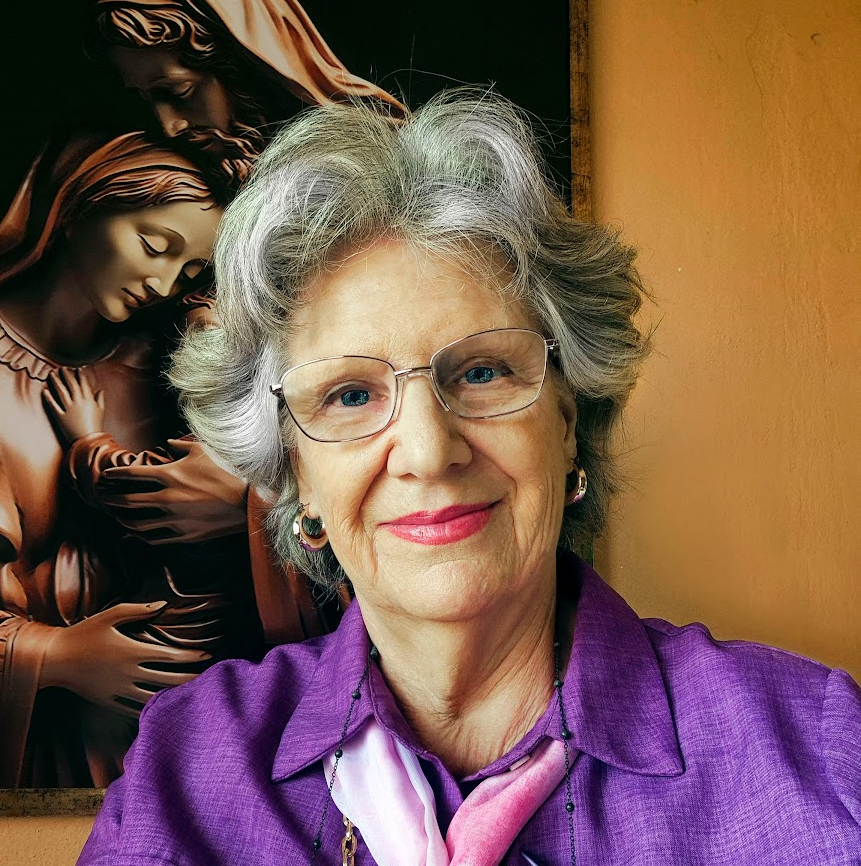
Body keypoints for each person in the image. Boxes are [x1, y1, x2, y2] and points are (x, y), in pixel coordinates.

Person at [78, 92, 860, 864]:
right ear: (298, 475)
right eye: (350, 395)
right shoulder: (186, 771)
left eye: (482, 371)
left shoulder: (819, 757)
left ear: (567, 422)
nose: (427, 451)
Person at [0, 133, 308, 789]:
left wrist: (249, 510)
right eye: (155, 245)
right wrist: (52, 655)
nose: (164, 284)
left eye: (191, 272)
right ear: (76, 207)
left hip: (169, 719)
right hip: (27, 747)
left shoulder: (166, 366)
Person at [92, 0, 405, 186]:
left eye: (178, 93)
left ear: (244, 68)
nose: (169, 127)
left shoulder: (362, 164)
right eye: (145, 99)